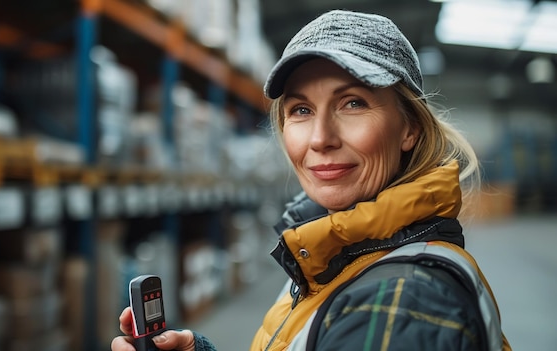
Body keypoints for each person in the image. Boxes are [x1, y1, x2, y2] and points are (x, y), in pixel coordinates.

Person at [112, 9, 512, 351]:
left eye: (353, 103)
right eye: (301, 109)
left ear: (410, 128)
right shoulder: (336, 252)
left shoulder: (399, 299)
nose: (321, 138)